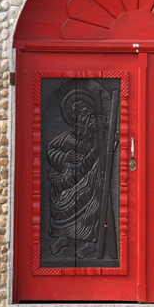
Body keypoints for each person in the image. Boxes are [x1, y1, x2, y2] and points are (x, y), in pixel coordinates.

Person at [46, 90, 101, 258]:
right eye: (77, 115)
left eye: (83, 114)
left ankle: (90, 242)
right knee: (60, 202)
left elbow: (96, 156)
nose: (80, 118)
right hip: (64, 182)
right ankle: (64, 238)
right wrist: (65, 158)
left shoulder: (95, 137)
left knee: (88, 202)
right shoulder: (66, 137)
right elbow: (51, 150)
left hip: (87, 181)